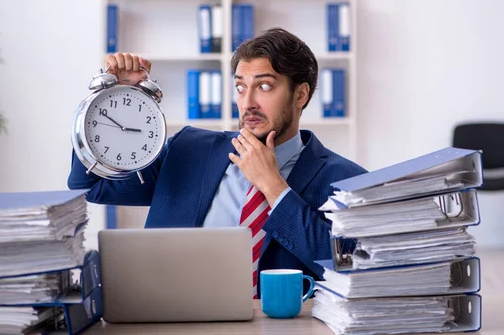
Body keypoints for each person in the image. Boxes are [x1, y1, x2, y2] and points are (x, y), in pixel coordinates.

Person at [68, 27, 367, 297]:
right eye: (240, 87)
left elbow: (352, 266)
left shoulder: (347, 181)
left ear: (300, 94)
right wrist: (110, 97)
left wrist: (274, 188)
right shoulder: (187, 150)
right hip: (172, 325)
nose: (247, 101)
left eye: (264, 87)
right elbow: (91, 185)